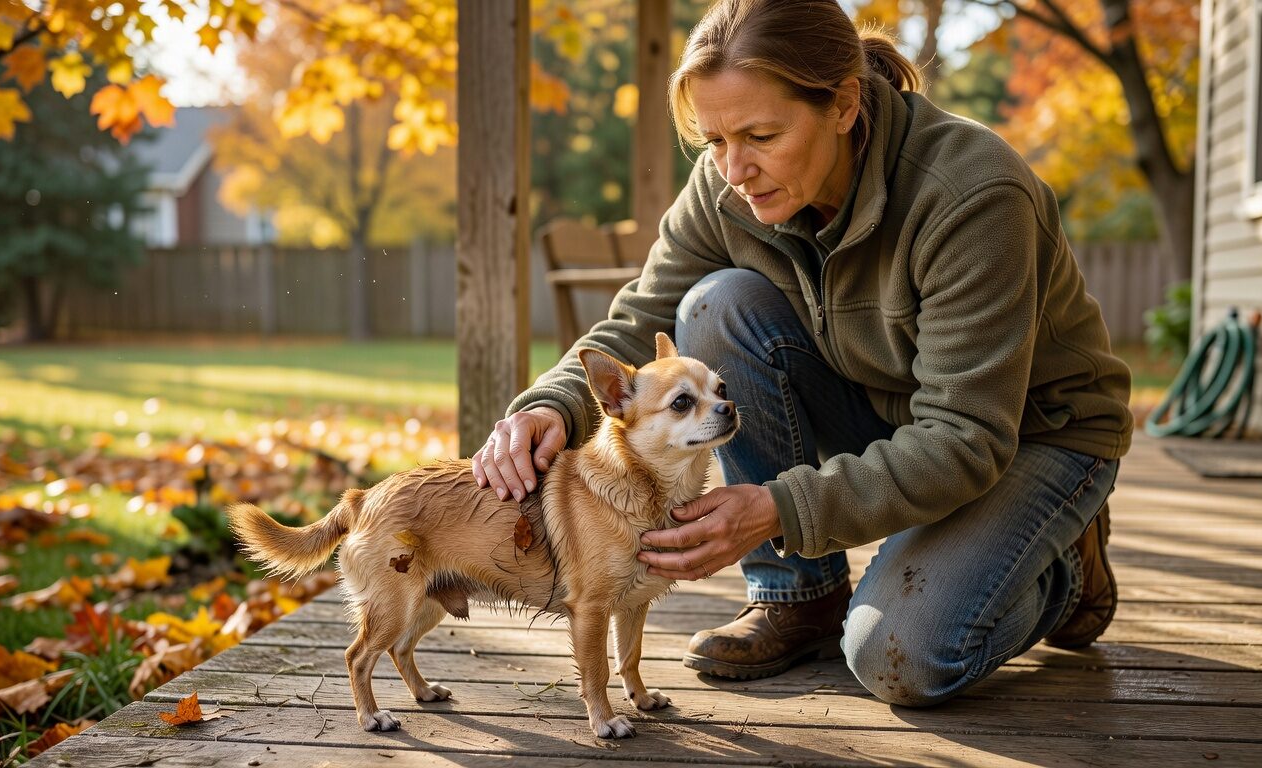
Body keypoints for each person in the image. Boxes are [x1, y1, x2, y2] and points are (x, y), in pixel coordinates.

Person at [472, 0, 1133, 706]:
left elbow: (966, 436)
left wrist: (779, 507)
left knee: (898, 657)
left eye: (761, 135)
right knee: (712, 304)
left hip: (1029, 435)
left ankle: (1063, 570)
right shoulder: (728, 183)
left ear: (843, 105)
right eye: (713, 140)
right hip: (883, 408)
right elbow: (645, 316)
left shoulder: (971, 195)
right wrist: (551, 406)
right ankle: (798, 597)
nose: (734, 169)